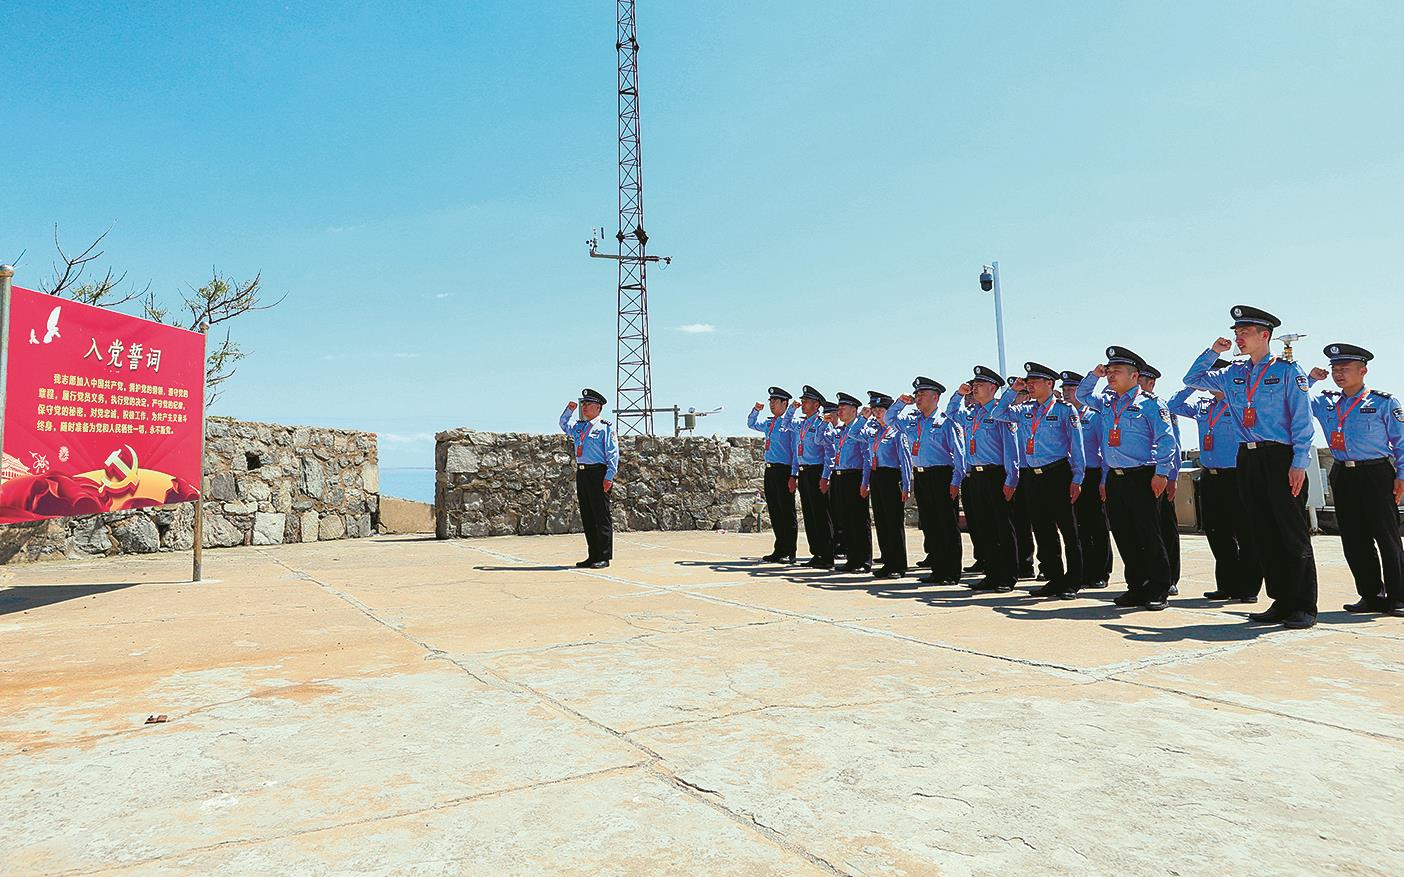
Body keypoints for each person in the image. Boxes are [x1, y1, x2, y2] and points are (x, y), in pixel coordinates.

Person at [1184, 306, 1318, 629]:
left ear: (1265, 335)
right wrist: (1213, 351)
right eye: (1236, 332)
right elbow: (1192, 379)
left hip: (1280, 457)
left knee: (1291, 531)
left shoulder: (1288, 371)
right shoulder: (1233, 374)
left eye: (1245, 332)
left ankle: (1304, 605)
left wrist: (1299, 463)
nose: (1238, 338)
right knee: (1263, 532)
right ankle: (1281, 600)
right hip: (1247, 458)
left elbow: (1302, 422)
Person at [1305, 344, 1404, 616]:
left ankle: (1399, 596)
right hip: (1343, 473)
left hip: (1376, 473)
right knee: (1354, 538)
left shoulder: (1384, 402)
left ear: (1363, 371)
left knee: (1387, 536)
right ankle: (1370, 594)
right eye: (1335, 369)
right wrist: (1312, 379)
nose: (1338, 374)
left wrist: (1401, 476)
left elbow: (1401, 442)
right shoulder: (1326, 402)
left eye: (1345, 369)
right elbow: (1297, 398)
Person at [1077, 347, 1177, 610]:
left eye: (1116, 372)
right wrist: (1093, 375)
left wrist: (1162, 473)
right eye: (1109, 371)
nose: (1110, 375)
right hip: (1115, 479)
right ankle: (1137, 587)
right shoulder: (1107, 403)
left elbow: (1167, 441)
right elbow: (1082, 394)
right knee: (1124, 534)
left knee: (1149, 534)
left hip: (1143, 476)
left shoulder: (1151, 404)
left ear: (1134, 376)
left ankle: (1159, 589)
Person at [1167, 369, 1263, 603]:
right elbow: (1173, 405)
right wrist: (1193, 386)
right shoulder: (1204, 407)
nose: (1209, 383)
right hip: (1211, 476)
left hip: (1236, 475)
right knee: (1216, 532)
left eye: (1212, 378)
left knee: (1246, 532)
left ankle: (1249, 587)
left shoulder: (1239, 403)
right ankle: (1227, 585)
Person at [992, 362, 1086, 599]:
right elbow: (998, 413)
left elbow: (1077, 446)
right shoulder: (1024, 409)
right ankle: (1054, 579)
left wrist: (1077, 477)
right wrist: (1013, 390)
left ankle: (1073, 581)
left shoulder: (1065, 410)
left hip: (1058, 473)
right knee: (1043, 530)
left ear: (1049, 384)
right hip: (1033, 477)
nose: (1030, 386)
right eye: (1028, 382)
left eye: (1034, 382)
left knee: (1068, 530)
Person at [948, 366, 1020, 592]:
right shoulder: (972, 413)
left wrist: (1011, 479)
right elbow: (951, 412)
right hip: (975, 475)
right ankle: (991, 573)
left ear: (992, 388)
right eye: (974, 385)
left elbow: (1011, 449)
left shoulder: (1001, 413)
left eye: (979, 385)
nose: (975, 388)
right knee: (983, 528)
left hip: (996, 474)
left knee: (1002, 527)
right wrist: (959, 394)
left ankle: (1007, 576)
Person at [890, 377, 966, 585]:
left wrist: (956, 481)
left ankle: (951, 573)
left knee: (946, 526)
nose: (917, 398)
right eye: (916, 394)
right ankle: (938, 570)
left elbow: (959, 454)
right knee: (931, 525)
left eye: (922, 394)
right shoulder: (914, 421)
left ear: (935, 397)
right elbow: (889, 419)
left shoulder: (946, 421)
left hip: (942, 476)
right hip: (921, 476)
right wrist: (899, 403)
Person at [1060, 371, 1112, 589]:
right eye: (1064, 390)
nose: (1067, 394)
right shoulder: (1064, 415)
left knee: (1096, 525)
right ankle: (1081, 570)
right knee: (1076, 526)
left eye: (1071, 389)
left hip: (1092, 475)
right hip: (1070, 475)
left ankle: (1100, 571)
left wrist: (1104, 479)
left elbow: (1106, 449)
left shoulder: (1094, 416)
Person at [559, 388, 620, 569]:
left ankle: (603, 556)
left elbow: (613, 454)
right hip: (583, 473)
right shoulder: (579, 426)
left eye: (588, 404)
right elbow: (563, 424)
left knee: (601, 515)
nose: (584, 407)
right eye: (583, 404)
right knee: (587, 515)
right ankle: (592, 555)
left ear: (598, 408)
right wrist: (569, 410)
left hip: (598, 473)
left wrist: (609, 476)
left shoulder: (605, 427)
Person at [1138, 363, 1182, 595]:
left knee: (1166, 529)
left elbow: (1173, 444)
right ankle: (1147, 577)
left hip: (1160, 473)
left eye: (1141, 379)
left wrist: (1172, 477)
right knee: (1146, 529)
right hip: (1143, 474)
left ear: (1151, 383)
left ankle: (1171, 577)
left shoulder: (1160, 406)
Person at [861, 392, 913, 578]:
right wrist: (863, 417)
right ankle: (887, 561)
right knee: (882, 522)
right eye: (874, 410)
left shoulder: (897, 432)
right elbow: (854, 434)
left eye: (880, 410)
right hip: (877, 477)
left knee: (893, 522)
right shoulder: (873, 432)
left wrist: (906, 485)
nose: (876, 413)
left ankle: (898, 565)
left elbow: (905, 459)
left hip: (892, 478)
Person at [822, 393, 876, 572]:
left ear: (854, 410)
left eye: (843, 408)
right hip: (840, 476)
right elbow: (819, 440)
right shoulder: (840, 431)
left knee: (859, 520)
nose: (839, 411)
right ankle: (852, 559)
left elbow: (867, 457)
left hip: (855, 476)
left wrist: (865, 482)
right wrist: (824, 423)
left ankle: (864, 560)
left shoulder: (860, 430)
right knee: (845, 520)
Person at [747, 387, 801, 563]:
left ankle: (789, 551)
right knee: (775, 512)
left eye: (775, 402)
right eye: (770, 401)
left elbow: (794, 451)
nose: (771, 404)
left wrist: (793, 475)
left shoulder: (790, 425)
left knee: (786, 511)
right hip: (770, 470)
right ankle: (779, 549)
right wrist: (756, 410)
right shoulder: (770, 423)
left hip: (784, 470)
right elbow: (751, 424)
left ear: (785, 404)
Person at [791, 385, 835, 569]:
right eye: (802, 401)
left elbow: (829, 453)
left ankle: (827, 555)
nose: (803, 404)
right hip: (804, 471)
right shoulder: (801, 425)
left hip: (817, 471)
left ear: (817, 405)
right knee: (809, 515)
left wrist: (825, 477)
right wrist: (794, 474)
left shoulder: (822, 424)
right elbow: (796, 451)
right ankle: (816, 552)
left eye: (807, 401)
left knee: (821, 515)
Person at [1006, 376, 1039, 580]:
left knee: (1034, 520)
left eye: (1021, 394)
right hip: (1012, 474)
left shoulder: (1030, 416)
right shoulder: (1010, 418)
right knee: (1017, 522)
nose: (1017, 398)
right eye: (1015, 394)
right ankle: (1020, 563)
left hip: (1029, 472)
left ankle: (1032, 565)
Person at [820, 400, 846, 561]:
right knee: (833, 511)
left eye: (831, 414)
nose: (829, 417)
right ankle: (836, 544)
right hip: (832, 473)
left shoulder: (843, 431)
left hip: (837, 472)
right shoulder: (830, 432)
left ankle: (844, 545)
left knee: (841, 513)